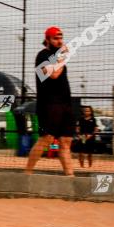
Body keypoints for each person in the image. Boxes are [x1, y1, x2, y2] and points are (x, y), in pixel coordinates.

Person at [26, 26, 75, 176]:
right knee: (46, 139)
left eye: (61, 37)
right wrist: (62, 57)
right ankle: (27, 173)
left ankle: (70, 176)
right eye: (56, 38)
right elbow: (53, 75)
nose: (60, 41)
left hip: (65, 104)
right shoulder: (42, 56)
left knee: (65, 142)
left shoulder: (58, 57)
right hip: (48, 105)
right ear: (47, 40)